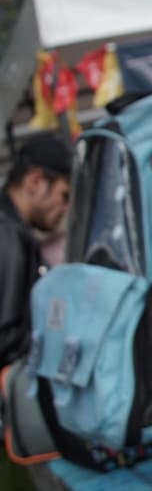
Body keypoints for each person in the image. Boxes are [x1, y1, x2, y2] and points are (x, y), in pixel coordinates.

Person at [1, 134, 71, 368]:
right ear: (35, 182)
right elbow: (7, 338)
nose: (65, 208)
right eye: (64, 195)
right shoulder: (9, 236)